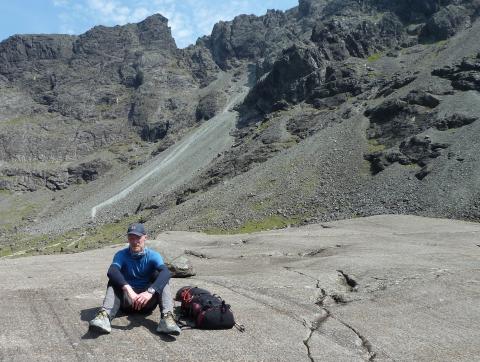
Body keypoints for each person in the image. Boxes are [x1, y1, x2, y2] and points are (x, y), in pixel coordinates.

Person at [89, 223, 181, 336]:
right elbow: (112, 271)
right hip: (126, 302)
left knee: (161, 277)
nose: (134, 241)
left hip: (147, 302)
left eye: (138, 237)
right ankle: (104, 316)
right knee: (113, 280)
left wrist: (150, 292)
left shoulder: (153, 255)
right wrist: (128, 289)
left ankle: (167, 319)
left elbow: (166, 272)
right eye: (131, 238)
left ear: (145, 237)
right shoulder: (121, 255)